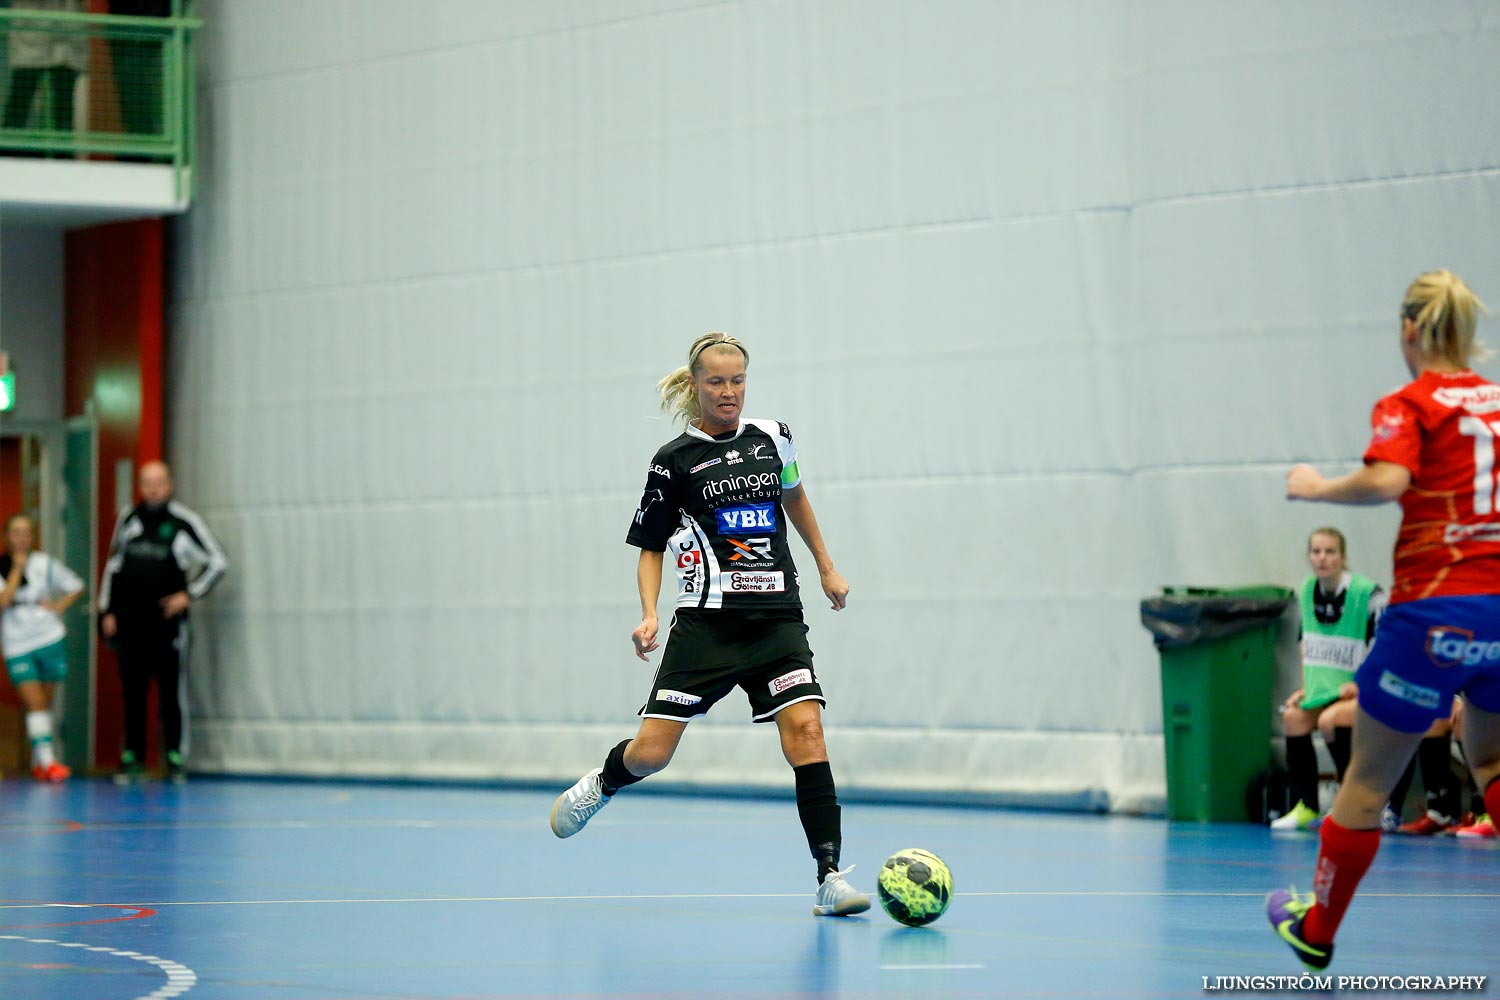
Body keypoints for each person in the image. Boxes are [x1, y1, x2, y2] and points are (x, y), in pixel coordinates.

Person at [548, 332, 871, 917]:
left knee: (808, 732)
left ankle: (829, 876)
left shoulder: (775, 437)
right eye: (717, 382)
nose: (729, 393)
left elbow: (795, 497)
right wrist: (649, 612)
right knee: (651, 754)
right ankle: (606, 780)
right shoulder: (672, 461)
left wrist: (826, 566)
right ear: (695, 385)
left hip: (776, 620)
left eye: (738, 381)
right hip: (705, 628)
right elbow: (649, 545)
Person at [1267, 269, 1500, 970]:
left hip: (1435, 611)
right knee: (1488, 758)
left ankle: (1318, 930)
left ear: (1409, 330)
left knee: (1367, 783)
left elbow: (1389, 481)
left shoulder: (1412, 403)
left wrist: (1319, 488)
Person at [100, 460, 228, 782]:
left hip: (167, 625)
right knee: (133, 691)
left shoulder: (184, 523)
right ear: (140, 487)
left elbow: (218, 561)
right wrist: (108, 610)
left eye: (159, 482)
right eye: (147, 483)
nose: (153, 488)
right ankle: (133, 756)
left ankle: (174, 756)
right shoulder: (129, 518)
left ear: (169, 485)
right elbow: (113, 565)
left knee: (171, 692)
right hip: (131, 623)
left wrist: (190, 593)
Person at [1270, 527, 1385, 830]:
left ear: (1343, 557)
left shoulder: (1367, 593)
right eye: (1316, 551)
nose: (1322, 558)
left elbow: (1388, 643)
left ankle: (1353, 802)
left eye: (1330, 551)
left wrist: (1362, 683)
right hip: (1327, 689)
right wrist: (1307, 687)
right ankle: (1305, 805)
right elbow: (1305, 642)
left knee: (1329, 721)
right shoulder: (1308, 591)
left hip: (1366, 691)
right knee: (1294, 717)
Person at [0, 514, 83, 781]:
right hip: (17, 642)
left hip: (48, 636)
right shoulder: (2, 566)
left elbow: (76, 586)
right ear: (7, 537)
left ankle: (39, 759)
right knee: (34, 700)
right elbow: (4, 600)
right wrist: (16, 569)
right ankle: (49, 762)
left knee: (44, 702)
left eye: (26, 532)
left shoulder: (45, 563)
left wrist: (59, 605)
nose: (21, 538)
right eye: (16, 532)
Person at [2, 0, 87, 152]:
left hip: (68, 40)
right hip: (30, 38)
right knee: (19, 103)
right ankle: (6, 158)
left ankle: (64, 163)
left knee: (63, 111)